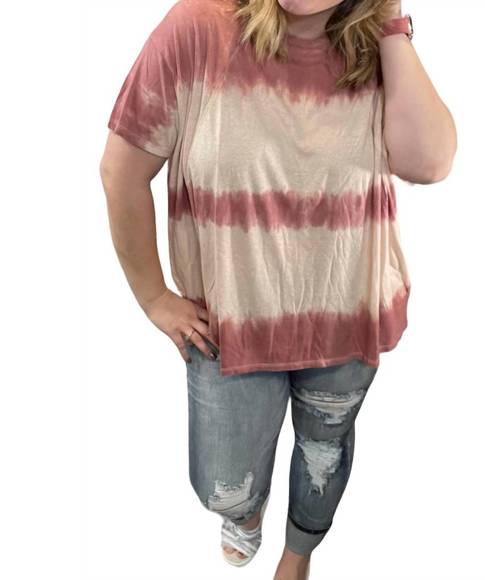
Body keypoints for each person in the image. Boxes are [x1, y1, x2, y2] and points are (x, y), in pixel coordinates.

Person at [99, 0, 457, 577]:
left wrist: (392, 24)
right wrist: (154, 297)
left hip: (346, 314)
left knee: (322, 457)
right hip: (229, 324)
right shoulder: (197, 29)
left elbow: (430, 162)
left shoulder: (375, 48)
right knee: (224, 486)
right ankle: (246, 516)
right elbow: (122, 172)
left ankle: (298, 553)